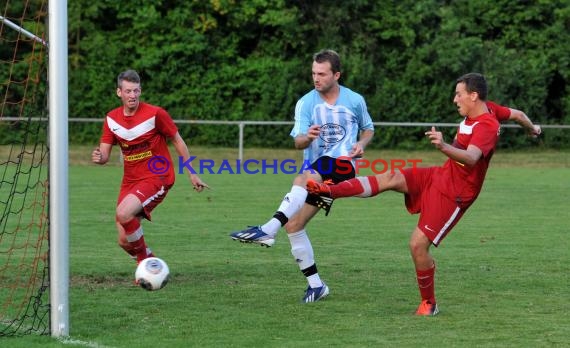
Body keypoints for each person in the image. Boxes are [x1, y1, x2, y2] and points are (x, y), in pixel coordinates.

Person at [306, 72, 540, 315]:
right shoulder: (490, 109)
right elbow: (519, 115)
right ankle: (328, 191)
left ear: (474, 95)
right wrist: (533, 129)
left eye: (459, 94)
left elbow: (471, 158)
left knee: (417, 245)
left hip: (456, 193)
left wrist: (443, 146)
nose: (455, 99)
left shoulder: (487, 125)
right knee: (391, 177)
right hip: (441, 175)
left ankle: (429, 304)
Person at [229, 49, 375, 303]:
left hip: (343, 165)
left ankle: (267, 229)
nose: (316, 78)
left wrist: (362, 144)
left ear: (336, 75)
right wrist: (307, 137)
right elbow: (297, 142)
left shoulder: (354, 100)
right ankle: (317, 286)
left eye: (321, 74)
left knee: (302, 180)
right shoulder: (306, 103)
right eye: (313, 73)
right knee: (294, 225)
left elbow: (368, 129)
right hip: (320, 171)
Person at [92, 69, 208, 267]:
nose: (133, 96)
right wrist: (99, 157)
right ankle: (152, 264)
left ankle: (144, 264)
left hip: (158, 175)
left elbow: (178, 141)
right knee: (123, 240)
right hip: (130, 180)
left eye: (136, 91)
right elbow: (104, 156)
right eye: (128, 91)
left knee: (124, 213)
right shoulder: (111, 119)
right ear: (119, 92)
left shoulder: (156, 114)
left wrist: (192, 172)